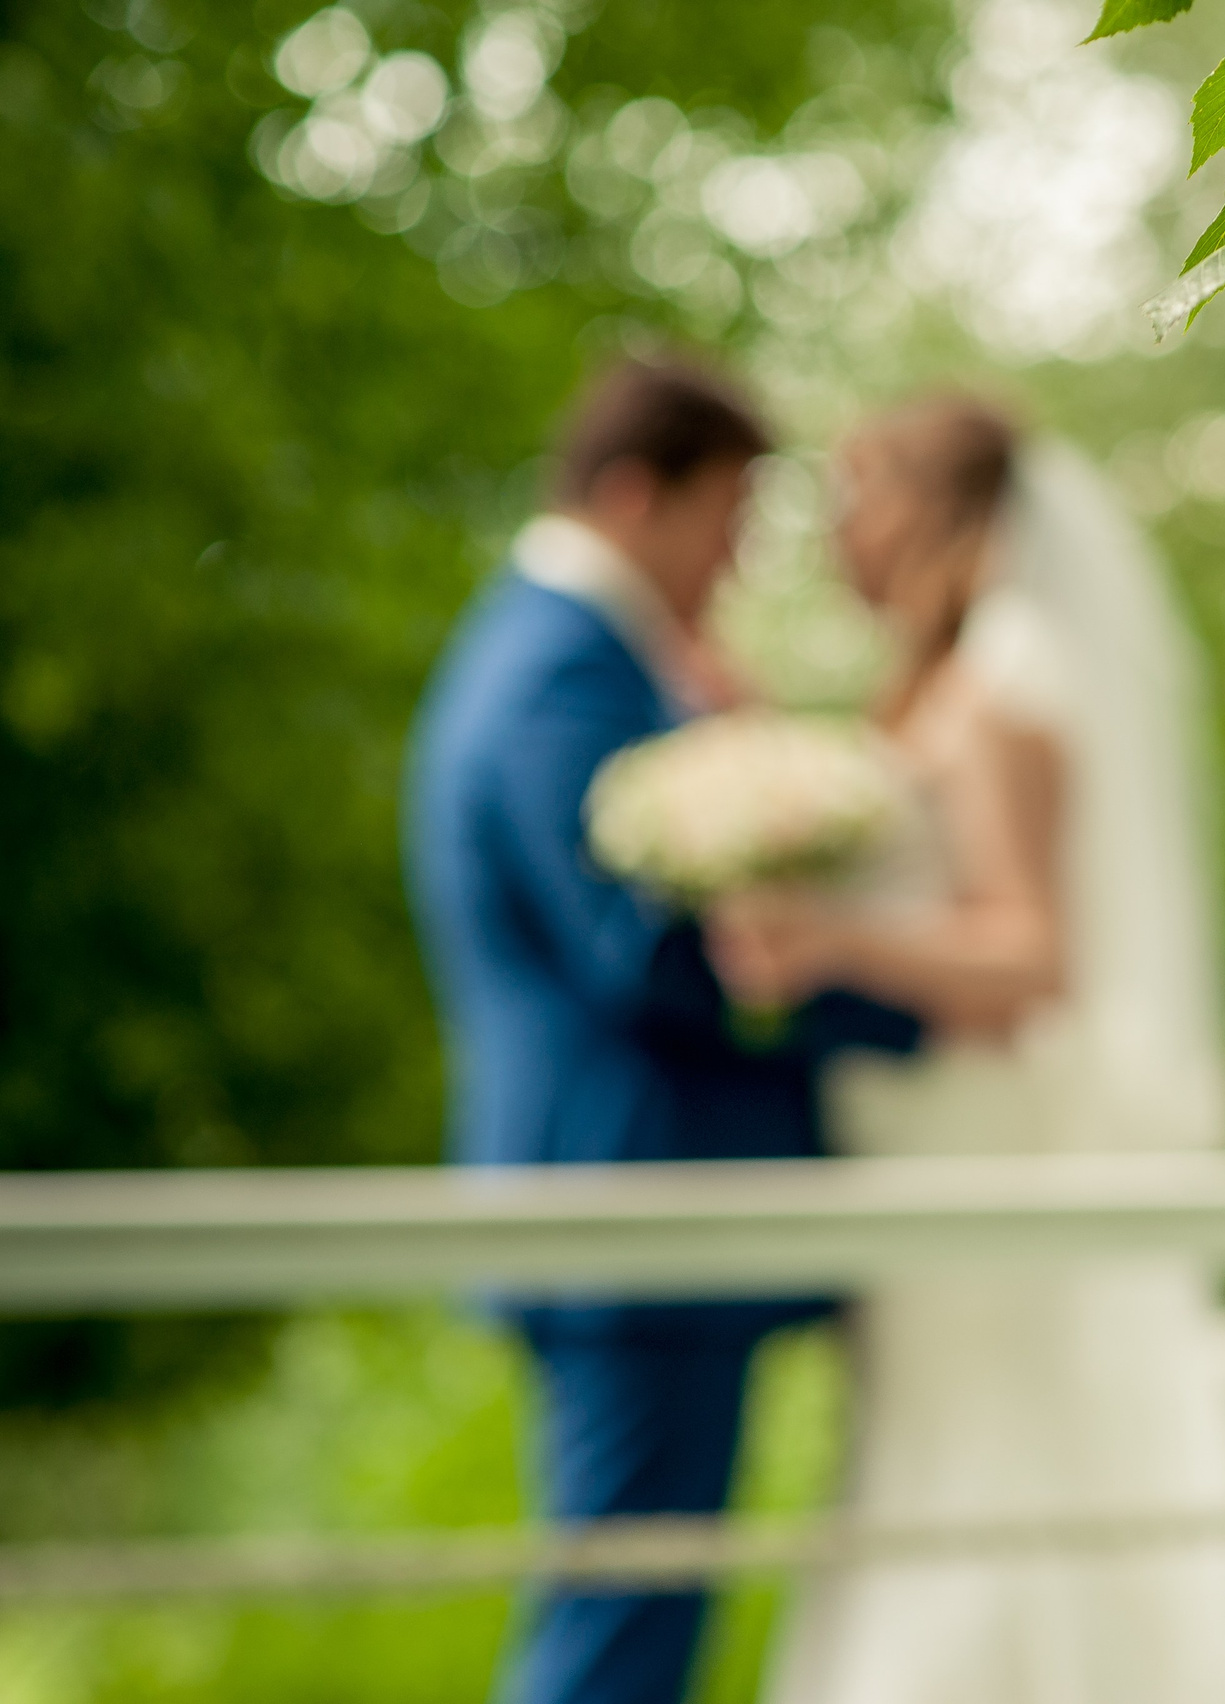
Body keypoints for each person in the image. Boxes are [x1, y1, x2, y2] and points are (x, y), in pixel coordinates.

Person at [709, 397, 1225, 1704]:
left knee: (991, 1464)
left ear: (941, 511)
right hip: (923, 1149)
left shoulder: (1000, 696)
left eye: (860, 499)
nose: (838, 537)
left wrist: (830, 943)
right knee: (942, 1458)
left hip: (979, 1148)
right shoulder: (949, 686)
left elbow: (1035, 962)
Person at [403, 357, 921, 1704]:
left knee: (638, 1612)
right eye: (730, 522)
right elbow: (652, 964)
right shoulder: (555, 675)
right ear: (640, 497)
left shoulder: (583, 659)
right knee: (618, 1633)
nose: (735, 565)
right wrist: (906, 1008)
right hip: (627, 1213)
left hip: (637, 1213)